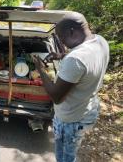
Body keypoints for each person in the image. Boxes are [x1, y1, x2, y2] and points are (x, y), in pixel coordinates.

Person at [33, 12, 109, 162]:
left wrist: (40, 70)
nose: (62, 42)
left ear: (72, 32)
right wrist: (62, 56)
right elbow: (83, 61)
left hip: (70, 120)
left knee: (65, 158)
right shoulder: (100, 41)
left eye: (61, 38)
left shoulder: (76, 59)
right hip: (87, 110)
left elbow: (56, 96)